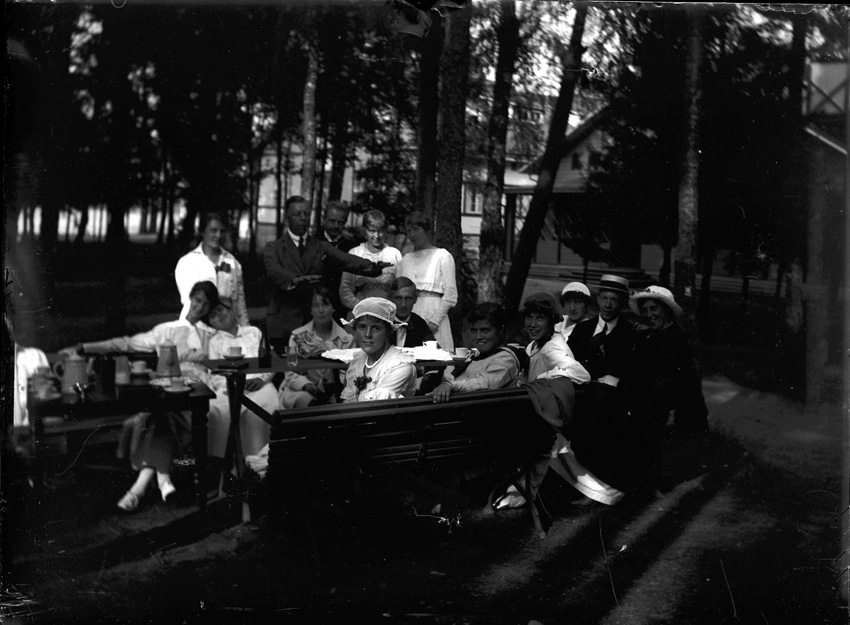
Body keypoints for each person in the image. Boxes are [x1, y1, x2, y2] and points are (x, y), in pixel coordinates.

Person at [59, 281, 220, 512]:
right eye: (198, 300)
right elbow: (126, 343)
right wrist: (84, 347)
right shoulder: (167, 330)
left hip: (196, 396)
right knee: (160, 414)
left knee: (156, 416)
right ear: (190, 298)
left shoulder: (211, 335)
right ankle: (159, 480)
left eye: (206, 304)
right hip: (171, 395)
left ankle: (142, 487)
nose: (200, 307)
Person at [263, 196, 389, 350]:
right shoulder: (273, 247)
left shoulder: (320, 246)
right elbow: (274, 270)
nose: (303, 218)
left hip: (315, 323)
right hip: (283, 323)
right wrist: (294, 280)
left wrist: (371, 266)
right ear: (286, 218)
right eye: (297, 214)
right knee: (285, 363)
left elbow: (346, 259)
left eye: (306, 214)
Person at [621, 286, 709, 487]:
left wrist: (629, 392)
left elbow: (664, 385)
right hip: (653, 403)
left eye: (654, 309)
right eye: (645, 310)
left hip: (667, 409)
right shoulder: (656, 335)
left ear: (667, 311)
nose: (649, 315)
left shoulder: (675, 341)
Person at [205, 298, 279, 466]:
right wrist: (232, 385)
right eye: (213, 315)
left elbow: (270, 361)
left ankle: (260, 463)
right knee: (216, 410)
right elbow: (215, 375)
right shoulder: (215, 341)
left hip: (259, 386)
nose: (219, 316)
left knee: (265, 405)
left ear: (230, 310)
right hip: (229, 388)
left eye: (221, 310)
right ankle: (226, 465)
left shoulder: (253, 332)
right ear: (211, 323)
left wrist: (261, 379)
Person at [279, 287, 355, 409]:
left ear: (333, 308)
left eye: (325, 305)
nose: (321, 310)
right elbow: (290, 371)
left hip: (335, 392)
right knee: (305, 400)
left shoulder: (347, 339)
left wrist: (327, 387)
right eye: (315, 306)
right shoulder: (296, 336)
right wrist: (306, 385)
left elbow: (348, 373)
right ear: (310, 310)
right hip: (300, 391)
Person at [430, 302, 523, 404]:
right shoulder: (477, 355)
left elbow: (484, 383)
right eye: (474, 331)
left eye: (485, 331)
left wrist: (450, 385)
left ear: (500, 330)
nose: (478, 337)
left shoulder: (505, 359)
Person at [397, 211, 458, 352]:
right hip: (410, 313)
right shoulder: (405, 259)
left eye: (416, 229)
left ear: (426, 230)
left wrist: (435, 321)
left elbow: (451, 294)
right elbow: (398, 291)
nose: (412, 235)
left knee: (436, 356)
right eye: (409, 231)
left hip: (434, 312)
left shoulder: (442, 256)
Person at [175, 213, 249, 327]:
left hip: (227, 329)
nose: (218, 235)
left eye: (222, 231)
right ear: (202, 232)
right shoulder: (187, 262)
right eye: (213, 230)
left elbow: (239, 304)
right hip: (196, 328)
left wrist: (246, 330)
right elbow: (190, 302)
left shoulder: (233, 262)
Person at [339, 298, 417, 402]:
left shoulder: (400, 366)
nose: (368, 334)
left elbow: (374, 406)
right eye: (362, 327)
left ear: (387, 331)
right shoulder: (358, 360)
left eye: (376, 328)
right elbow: (349, 401)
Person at [567, 274, 634, 389]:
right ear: (598, 299)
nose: (607, 305)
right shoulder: (582, 328)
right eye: (604, 298)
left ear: (622, 303)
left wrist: (619, 382)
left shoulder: (630, 334)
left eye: (614, 300)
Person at [339, 209, 402, 315]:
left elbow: (401, 287)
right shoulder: (355, 253)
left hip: (387, 310)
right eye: (372, 231)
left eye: (380, 231)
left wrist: (392, 307)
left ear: (385, 231)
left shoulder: (394, 254)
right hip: (361, 310)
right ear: (365, 230)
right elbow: (346, 288)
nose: (376, 236)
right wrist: (360, 306)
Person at [523, 292, 590, 385]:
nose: (533, 324)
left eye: (540, 318)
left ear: (551, 321)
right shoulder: (534, 344)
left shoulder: (551, 348)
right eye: (529, 318)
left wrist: (542, 377)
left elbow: (581, 374)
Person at [317, 201, 356, 319]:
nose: (335, 226)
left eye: (340, 222)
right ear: (324, 219)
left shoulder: (351, 248)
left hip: (340, 308)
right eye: (332, 221)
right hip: (315, 305)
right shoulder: (313, 243)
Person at [387, 277, 434, 348]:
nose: (403, 305)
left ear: (415, 299)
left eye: (408, 299)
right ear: (389, 299)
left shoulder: (419, 324)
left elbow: (432, 349)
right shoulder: (382, 322)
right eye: (398, 298)